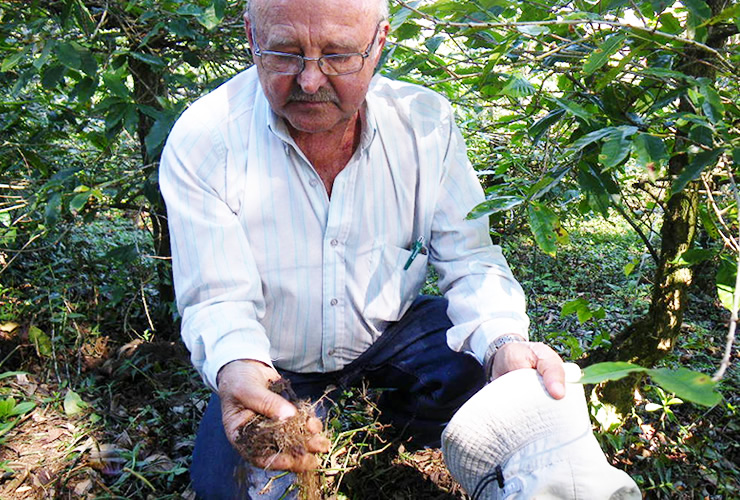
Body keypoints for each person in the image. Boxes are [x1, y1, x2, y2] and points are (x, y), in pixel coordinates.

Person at [159, 0, 566, 497]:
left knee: (492, 378)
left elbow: (469, 258)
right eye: (285, 52)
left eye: (338, 55)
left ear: (379, 42)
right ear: (250, 36)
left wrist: (504, 342)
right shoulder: (206, 139)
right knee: (230, 485)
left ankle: (400, 424)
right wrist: (238, 365)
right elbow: (218, 298)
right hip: (273, 362)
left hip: (390, 335)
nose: (310, 80)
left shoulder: (424, 126)